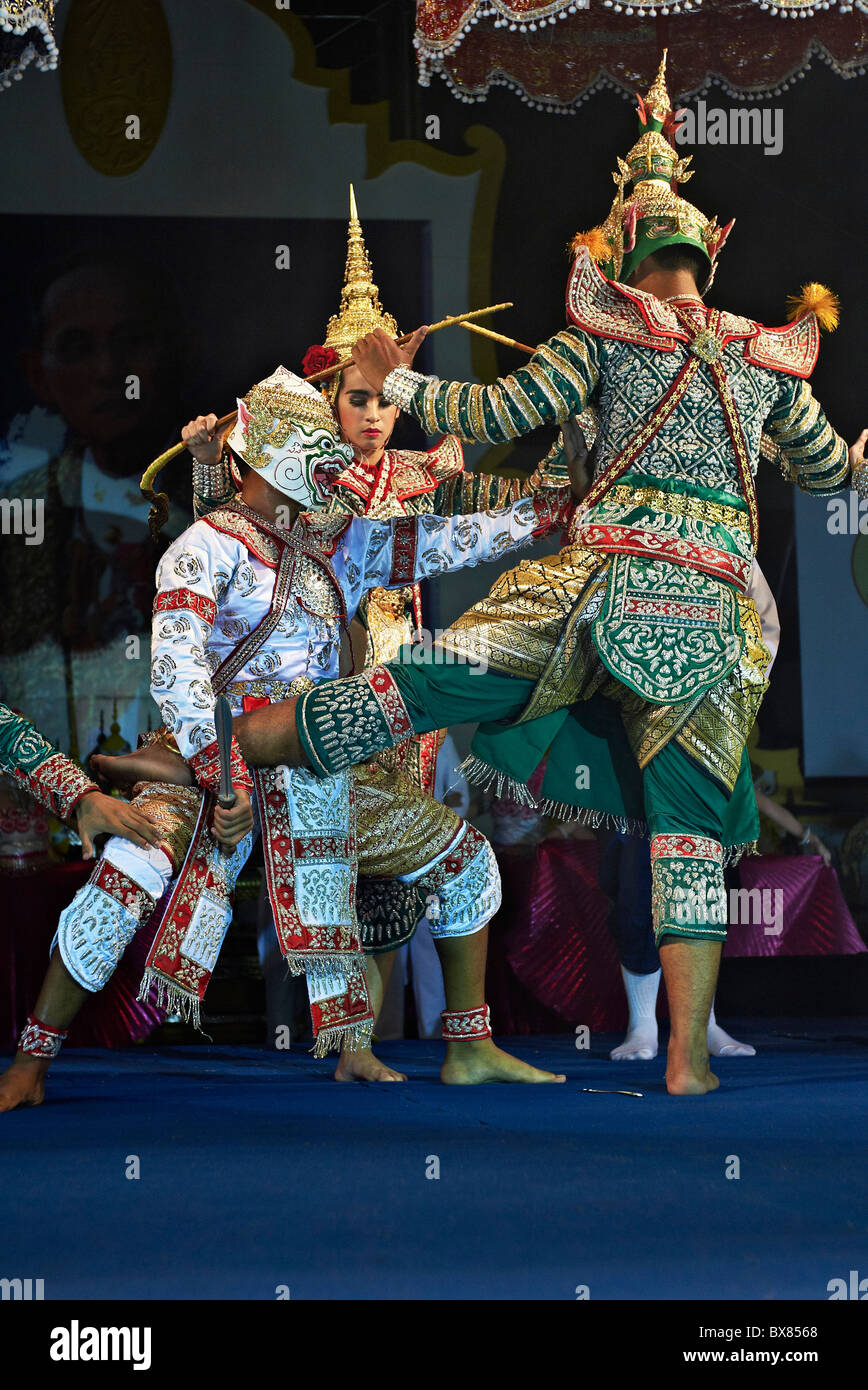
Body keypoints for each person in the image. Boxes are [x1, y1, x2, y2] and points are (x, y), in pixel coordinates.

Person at [222, 55, 865, 1096]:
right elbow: (830, 467)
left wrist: (399, 375)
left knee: (436, 678)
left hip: (597, 587)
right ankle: (689, 1059)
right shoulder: (762, 356)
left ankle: (263, 735)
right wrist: (857, 462)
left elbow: (490, 415)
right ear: (710, 250)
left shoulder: (600, 336)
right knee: (689, 828)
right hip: (710, 614)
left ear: (619, 250)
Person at [0, 367, 577, 1111]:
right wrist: (224, 778)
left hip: (313, 765)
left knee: (467, 864)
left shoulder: (338, 544)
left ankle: (467, 1047)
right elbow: (178, 679)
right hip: (208, 767)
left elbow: (442, 543)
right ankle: (31, 1063)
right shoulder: (203, 549)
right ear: (274, 454)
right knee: (129, 871)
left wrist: (545, 514)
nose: (337, 460)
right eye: (321, 446)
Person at [182, 187, 576, 1083]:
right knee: (289, 877)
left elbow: (493, 515)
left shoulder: (409, 478)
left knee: (401, 879)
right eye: (356, 398)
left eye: (386, 402)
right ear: (326, 397)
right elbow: (226, 555)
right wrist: (214, 469)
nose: (372, 417)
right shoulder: (290, 490)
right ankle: (329, 1043)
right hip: (287, 713)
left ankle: (396, 1047)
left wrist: (567, 458)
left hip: (398, 701)